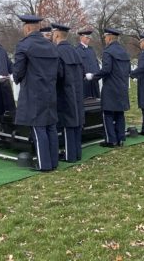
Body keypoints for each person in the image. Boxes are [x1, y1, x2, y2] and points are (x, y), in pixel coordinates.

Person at [13, 15, 60, 171]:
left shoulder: (24, 45)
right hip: (51, 91)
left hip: (33, 92)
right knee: (51, 127)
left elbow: (18, 71)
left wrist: (16, 78)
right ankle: (53, 162)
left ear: (26, 28)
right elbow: (59, 71)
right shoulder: (51, 45)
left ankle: (44, 164)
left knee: (38, 128)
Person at [87, 27, 130, 148]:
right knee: (119, 114)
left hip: (111, 87)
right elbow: (128, 70)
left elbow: (106, 69)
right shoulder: (123, 51)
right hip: (122, 86)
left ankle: (111, 140)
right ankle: (120, 139)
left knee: (108, 114)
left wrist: (93, 77)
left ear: (110, 37)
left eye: (105, 37)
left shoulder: (108, 51)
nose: (105, 39)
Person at [51, 23, 85, 162]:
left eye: (53, 34)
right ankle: (77, 153)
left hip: (64, 92)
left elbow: (58, 74)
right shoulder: (75, 51)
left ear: (57, 34)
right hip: (77, 91)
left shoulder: (57, 51)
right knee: (76, 123)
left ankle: (69, 155)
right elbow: (82, 71)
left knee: (67, 124)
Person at [75, 29, 101, 98]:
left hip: (94, 81)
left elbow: (96, 64)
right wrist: (84, 75)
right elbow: (78, 67)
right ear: (81, 37)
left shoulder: (91, 50)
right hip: (84, 83)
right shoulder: (77, 50)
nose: (88, 39)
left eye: (89, 37)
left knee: (96, 102)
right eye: (87, 37)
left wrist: (97, 75)